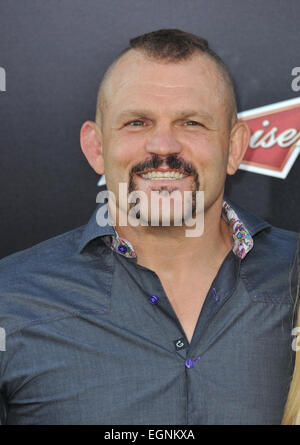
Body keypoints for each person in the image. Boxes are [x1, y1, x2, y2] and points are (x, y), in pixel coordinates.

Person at [0, 29, 299, 425]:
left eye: (191, 122)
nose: (162, 146)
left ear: (234, 148)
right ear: (96, 147)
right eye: (137, 122)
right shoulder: (11, 299)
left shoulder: (294, 275)